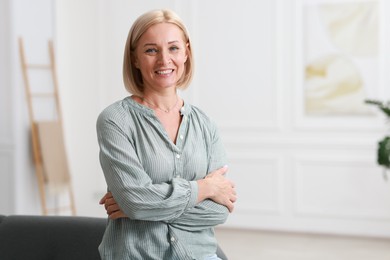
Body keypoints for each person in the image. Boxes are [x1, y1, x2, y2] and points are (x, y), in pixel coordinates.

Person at [96, 9, 237, 260]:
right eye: (151, 50)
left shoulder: (206, 126)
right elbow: (136, 202)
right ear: (135, 58)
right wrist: (203, 188)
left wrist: (139, 208)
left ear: (186, 53)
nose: (164, 60)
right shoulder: (115, 120)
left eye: (173, 48)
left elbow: (219, 212)